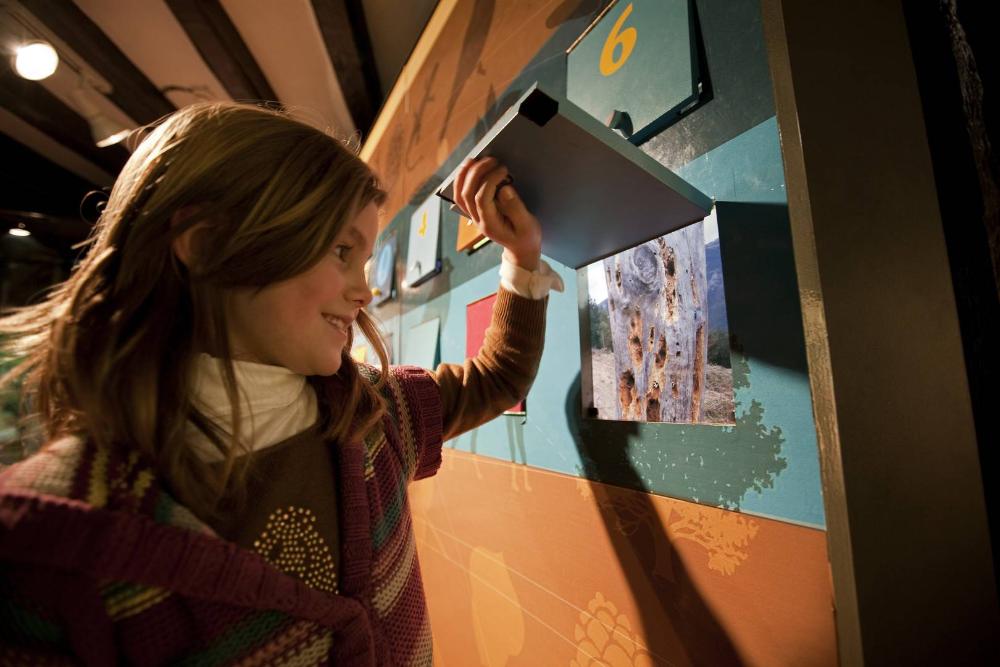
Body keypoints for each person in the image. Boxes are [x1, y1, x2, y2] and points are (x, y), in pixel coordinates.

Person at [0, 102, 563, 665]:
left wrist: (522, 254)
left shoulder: (374, 412)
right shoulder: (51, 548)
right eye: (342, 251)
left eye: (364, 261)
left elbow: (497, 376)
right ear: (204, 245)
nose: (362, 292)